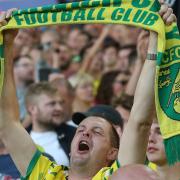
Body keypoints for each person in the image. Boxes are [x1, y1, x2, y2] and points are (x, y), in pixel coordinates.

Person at [0, 3, 176, 180]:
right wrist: (6, 46)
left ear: (113, 153)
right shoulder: (47, 175)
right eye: (80, 129)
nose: (85, 133)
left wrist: (154, 48)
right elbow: (7, 122)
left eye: (97, 131)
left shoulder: (114, 176)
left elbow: (139, 122)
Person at [25, 82, 76, 166]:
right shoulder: (21, 139)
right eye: (52, 104)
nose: (59, 108)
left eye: (61, 103)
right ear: (33, 109)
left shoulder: (73, 134)